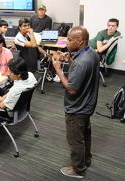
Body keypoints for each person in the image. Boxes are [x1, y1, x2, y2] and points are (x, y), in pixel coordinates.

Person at [52, 26, 99, 178]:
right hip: (87, 104)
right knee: (85, 134)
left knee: (75, 140)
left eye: (70, 39)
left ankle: (78, 169)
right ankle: (86, 159)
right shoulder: (91, 53)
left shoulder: (81, 62)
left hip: (77, 108)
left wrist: (58, 68)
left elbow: (72, 89)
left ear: (80, 41)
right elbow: (80, 73)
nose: (67, 41)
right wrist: (70, 60)